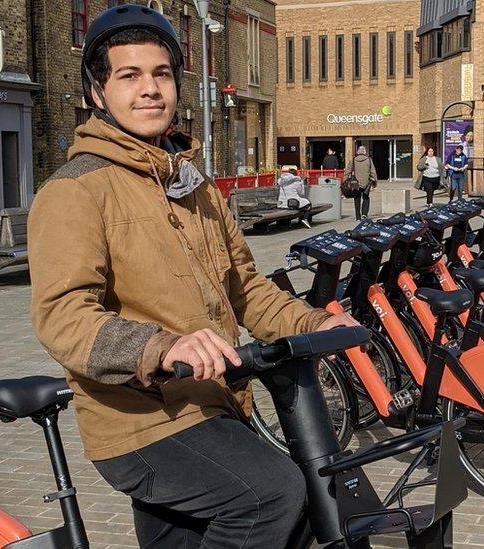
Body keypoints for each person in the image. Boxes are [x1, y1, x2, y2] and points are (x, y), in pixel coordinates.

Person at [27, 5, 358, 547]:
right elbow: (63, 316)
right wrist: (161, 347)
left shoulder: (192, 184)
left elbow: (245, 289)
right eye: (129, 76)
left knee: (291, 516)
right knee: (270, 495)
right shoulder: (76, 190)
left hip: (209, 401)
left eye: (161, 74)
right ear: (97, 93)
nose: (150, 89)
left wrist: (315, 323)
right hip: (140, 418)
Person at [345, 145, 378, 220]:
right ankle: (364, 213)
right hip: (366, 183)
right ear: (365, 152)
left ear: (358, 152)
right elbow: (373, 172)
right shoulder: (369, 160)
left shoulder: (353, 160)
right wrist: (375, 182)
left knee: (357, 198)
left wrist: (344, 181)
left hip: (355, 183)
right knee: (366, 198)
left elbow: (348, 171)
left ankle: (358, 217)